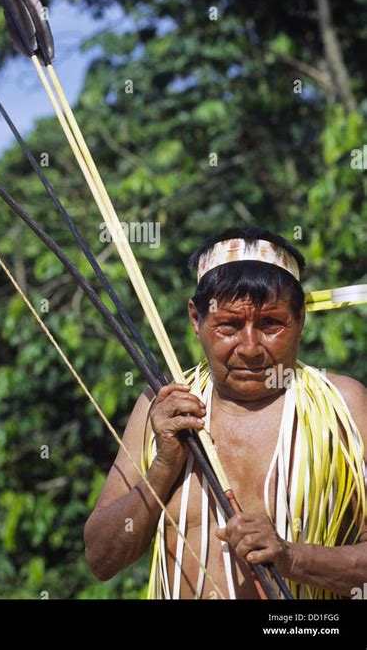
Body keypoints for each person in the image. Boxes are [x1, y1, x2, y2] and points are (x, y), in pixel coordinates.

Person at [84, 227, 367, 599]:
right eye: (229, 325)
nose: (250, 348)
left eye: (271, 324)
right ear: (195, 319)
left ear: (300, 320)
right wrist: (164, 467)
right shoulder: (165, 403)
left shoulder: (342, 405)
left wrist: (292, 557)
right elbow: (101, 559)